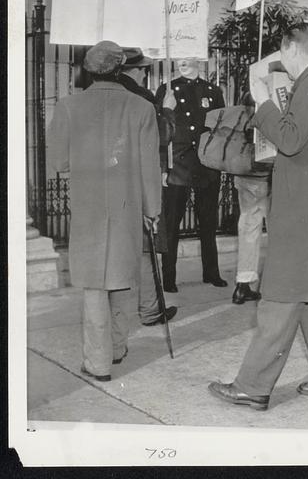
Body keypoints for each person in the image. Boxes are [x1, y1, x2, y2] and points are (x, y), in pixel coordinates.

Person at [208, 23, 308, 411]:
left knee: (279, 296)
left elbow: (289, 139)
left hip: (301, 210)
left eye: (280, 55)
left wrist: (263, 102)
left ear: (290, 48)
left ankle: (252, 386)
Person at [47, 41, 162, 381]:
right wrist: (151, 208)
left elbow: (58, 161)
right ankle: (117, 346)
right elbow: (149, 167)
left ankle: (97, 362)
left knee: (95, 282)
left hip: (88, 205)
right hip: (128, 205)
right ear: (119, 69)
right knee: (121, 276)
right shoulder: (142, 108)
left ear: (88, 70)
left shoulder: (67, 106)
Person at [118, 47, 178, 326]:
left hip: (114, 180)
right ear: (134, 70)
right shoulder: (142, 99)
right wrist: (167, 109)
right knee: (147, 246)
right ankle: (151, 309)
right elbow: (162, 135)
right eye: (143, 69)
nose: (145, 73)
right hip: (141, 179)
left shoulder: (106, 94)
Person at [155, 58, 227, 292]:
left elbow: (219, 128)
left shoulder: (213, 91)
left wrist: (219, 162)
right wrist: (163, 169)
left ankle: (211, 272)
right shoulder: (167, 90)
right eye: (180, 58)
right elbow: (161, 133)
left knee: (207, 222)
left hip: (206, 164)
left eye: (188, 57)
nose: (183, 62)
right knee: (172, 223)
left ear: (198, 59)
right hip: (178, 164)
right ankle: (169, 277)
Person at [231, 93, 272, 305]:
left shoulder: (248, 95)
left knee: (248, 227)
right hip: (267, 175)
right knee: (276, 230)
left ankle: (242, 284)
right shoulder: (276, 94)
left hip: (245, 173)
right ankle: (276, 284)